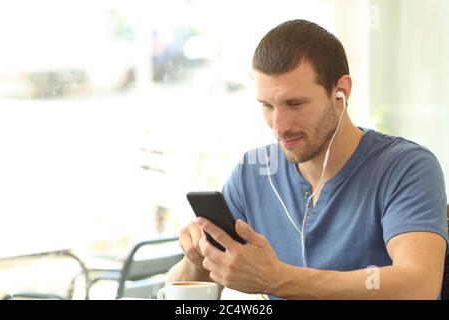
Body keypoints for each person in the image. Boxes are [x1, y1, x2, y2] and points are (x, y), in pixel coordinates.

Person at [166, 19, 448, 299]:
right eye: (267, 105)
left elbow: (418, 285)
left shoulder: (406, 168)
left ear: (341, 93)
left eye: (295, 104)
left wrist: (278, 279)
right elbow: (178, 294)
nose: (279, 126)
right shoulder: (252, 173)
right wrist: (196, 257)